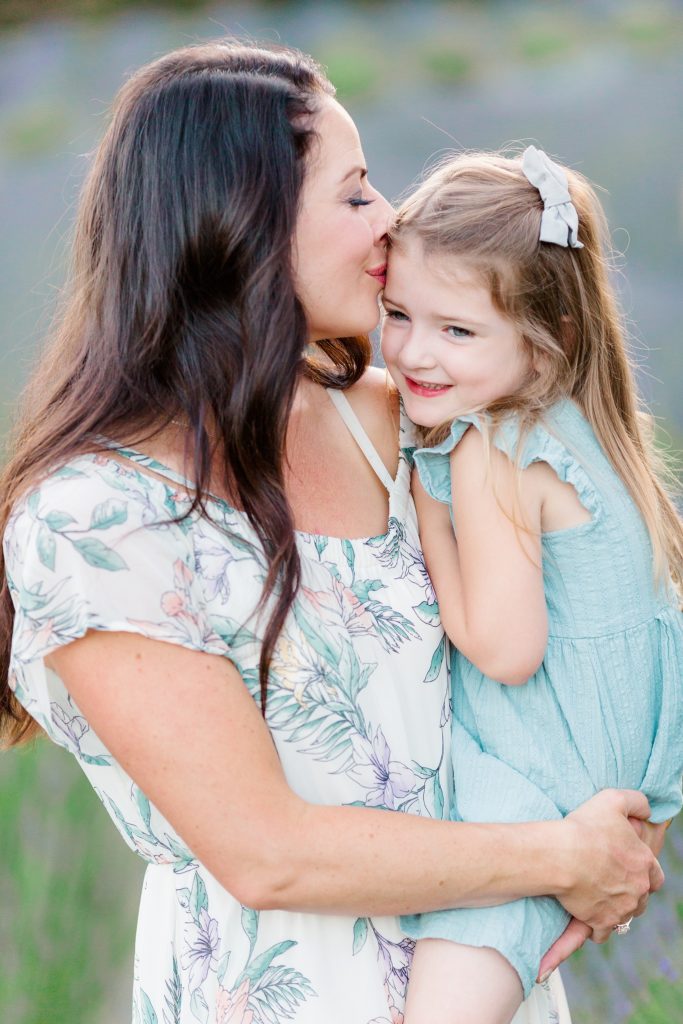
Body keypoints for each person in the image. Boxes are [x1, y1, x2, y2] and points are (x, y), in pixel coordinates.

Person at [0, 43, 666, 1024]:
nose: (390, 219)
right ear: (241, 222)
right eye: (354, 193)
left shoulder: (391, 420)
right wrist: (562, 855)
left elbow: (593, 586)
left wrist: (619, 804)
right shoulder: (93, 519)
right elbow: (266, 851)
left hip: (479, 970)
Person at [379, 146, 683, 1024]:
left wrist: (428, 518)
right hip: (604, 774)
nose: (413, 352)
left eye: (456, 330)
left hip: (534, 784)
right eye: (397, 313)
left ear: (547, 346)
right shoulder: (584, 426)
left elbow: (507, 651)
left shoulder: (493, 450)